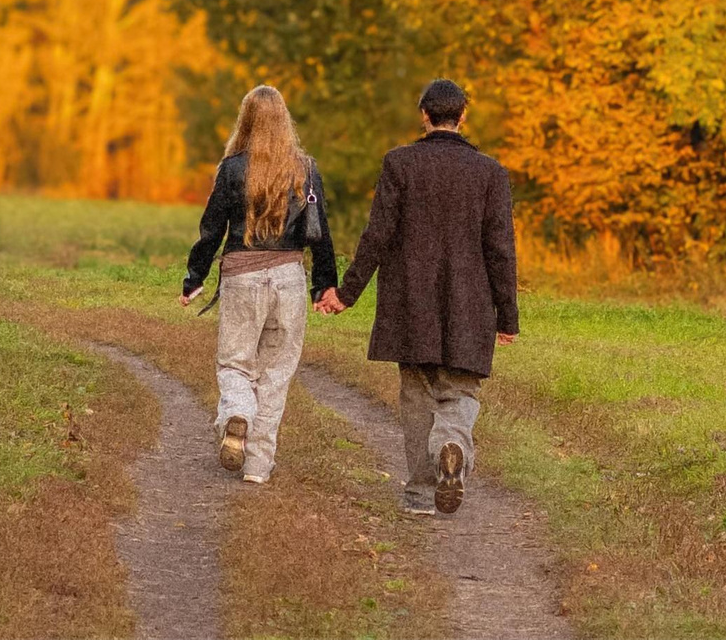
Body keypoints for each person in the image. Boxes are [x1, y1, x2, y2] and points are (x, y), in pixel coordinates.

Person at [316, 77, 517, 516]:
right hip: (470, 305)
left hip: (411, 303)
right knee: (461, 392)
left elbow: (377, 236)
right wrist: (508, 317)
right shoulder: (491, 173)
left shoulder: (399, 164)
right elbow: (500, 249)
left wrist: (346, 294)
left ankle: (422, 493)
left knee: (417, 395)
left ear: (424, 115)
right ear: (463, 117)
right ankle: (452, 443)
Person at [179, 83, 338, 485]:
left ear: (245, 121)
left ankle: (237, 412)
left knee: (236, 361)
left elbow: (211, 229)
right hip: (288, 277)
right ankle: (258, 466)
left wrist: (194, 276)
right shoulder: (306, 169)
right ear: (285, 122)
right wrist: (324, 285)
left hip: (241, 275)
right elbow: (321, 233)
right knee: (276, 372)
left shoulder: (232, 169)